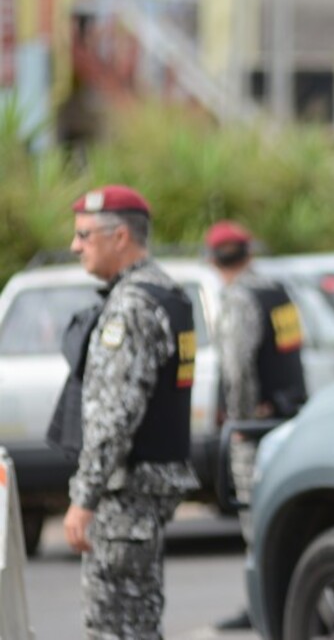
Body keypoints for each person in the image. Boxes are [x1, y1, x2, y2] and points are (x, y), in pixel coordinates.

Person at [61, 184, 200, 639]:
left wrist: (84, 498)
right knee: (139, 622)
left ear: (119, 236)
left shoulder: (132, 307)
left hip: (125, 496)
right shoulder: (168, 293)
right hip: (150, 491)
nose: (75, 246)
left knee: (113, 627)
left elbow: (114, 415)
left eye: (84, 235)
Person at [205, 219, 307, 631]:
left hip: (257, 425)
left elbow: (237, 367)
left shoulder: (240, 298)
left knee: (256, 518)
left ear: (214, 260)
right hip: (288, 416)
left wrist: (241, 418)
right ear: (248, 252)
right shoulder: (277, 292)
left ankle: (262, 608)